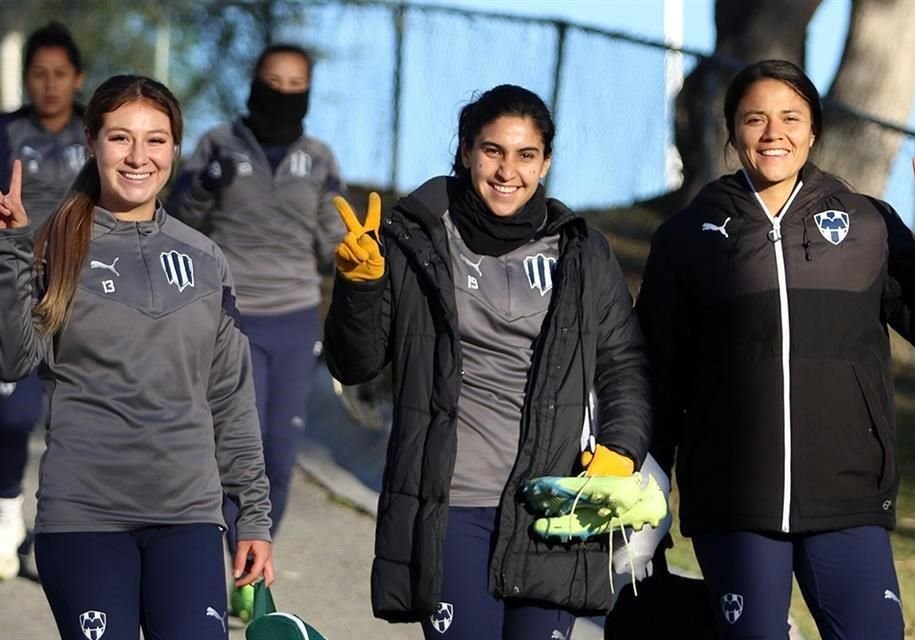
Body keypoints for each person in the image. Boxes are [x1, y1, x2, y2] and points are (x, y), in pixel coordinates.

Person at [635, 59, 915, 639]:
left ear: (814, 131)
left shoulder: (867, 224)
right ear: (732, 131)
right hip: (735, 503)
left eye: (790, 117)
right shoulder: (688, 237)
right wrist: (644, 479)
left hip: (849, 496)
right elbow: (657, 373)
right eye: (754, 119)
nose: (772, 133)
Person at [324, 84, 655, 640]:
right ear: (465, 151)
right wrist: (361, 287)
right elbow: (355, 365)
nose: (508, 171)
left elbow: (623, 363)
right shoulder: (413, 239)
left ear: (546, 162)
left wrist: (621, 450)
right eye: (493, 150)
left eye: (526, 155)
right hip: (451, 507)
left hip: (554, 508)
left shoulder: (580, 251)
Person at [0, 74, 274, 639]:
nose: (138, 156)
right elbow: (12, 360)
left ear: (175, 148)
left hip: (189, 519)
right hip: (84, 519)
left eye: (155, 140)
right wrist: (8, 252)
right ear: (92, 143)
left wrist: (253, 517)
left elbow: (230, 397)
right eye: (121, 138)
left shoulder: (205, 259)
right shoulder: (52, 247)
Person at [166, 43, 345, 616]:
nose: (284, 93)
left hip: (294, 319)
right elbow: (176, 220)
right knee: (231, 450)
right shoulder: (218, 144)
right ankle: (230, 561)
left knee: (279, 451)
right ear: (254, 83)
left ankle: (252, 567)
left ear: (309, 92)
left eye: (296, 85)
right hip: (226, 315)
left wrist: (359, 249)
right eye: (274, 81)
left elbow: (333, 245)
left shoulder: (318, 158)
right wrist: (202, 186)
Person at [0, 21, 87, 581]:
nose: (50, 85)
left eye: (60, 74)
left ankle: (59, 531)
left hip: (80, 287)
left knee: (74, 418)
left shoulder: (97, 134)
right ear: (26, 79)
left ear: (77, 79)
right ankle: (7, 515)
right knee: (15, 412)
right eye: (39, 74)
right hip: (15, 285)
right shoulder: (6, 133)